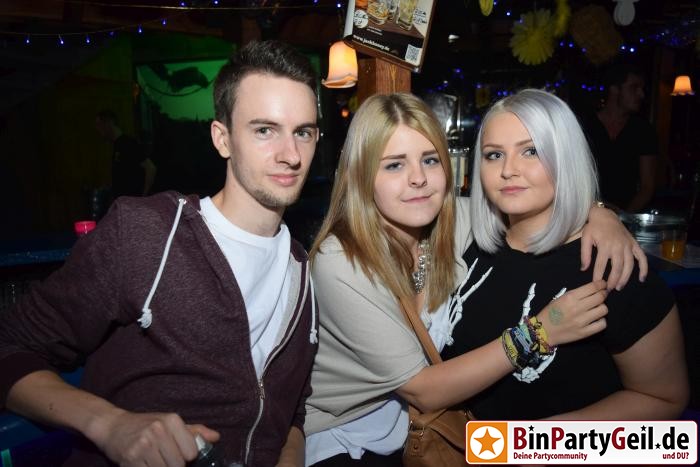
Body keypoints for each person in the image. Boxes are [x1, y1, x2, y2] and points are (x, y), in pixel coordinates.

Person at [0, 40, 319, 467]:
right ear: (222, 139)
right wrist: (110, 424)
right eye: (265, 130)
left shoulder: (302, 269)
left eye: (303, 132)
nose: (291, 155)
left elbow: (291, 406)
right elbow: (9, 344)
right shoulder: (147, 234)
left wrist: (291, 453)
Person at [304, 92, 647, 466]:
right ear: (360, 175)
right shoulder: (340, 262)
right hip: (349, 435)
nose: (418, 179)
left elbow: (530, 197)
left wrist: (601, 214)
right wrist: (539, 332)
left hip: (432, 431)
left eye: (429, 160)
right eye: (394, 165)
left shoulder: (457, 223)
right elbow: (423, 391)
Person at [443, 89, 688, 421]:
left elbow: (664, 398)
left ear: (565, 158)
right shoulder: (468, 244)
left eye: (531, 151)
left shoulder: (610, 268)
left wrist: (531, 443)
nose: (508, 170)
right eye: (494, 154)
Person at [580, 62, 659, 212]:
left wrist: (623, 217)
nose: (641, 94)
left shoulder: (643, 130)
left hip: (627, 215)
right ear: (615, 89)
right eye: (634, 87)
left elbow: (647, 187)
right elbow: (571, 176)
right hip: (585, 212)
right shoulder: (584, 126)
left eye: (642, 89)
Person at [95, 109, 158, 198]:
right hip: (123, 202)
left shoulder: (127, 143)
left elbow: (151, 168)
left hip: (132, 202)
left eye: (99, 124)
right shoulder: (117, 145)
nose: (98, 129)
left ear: (110, 122)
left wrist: (143, 197)